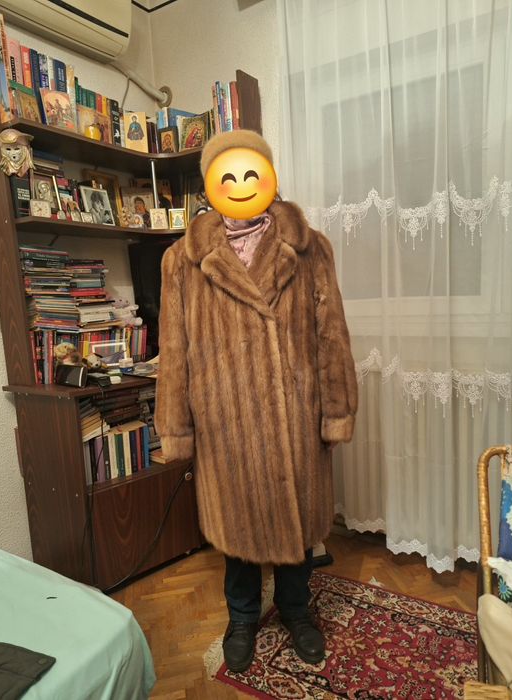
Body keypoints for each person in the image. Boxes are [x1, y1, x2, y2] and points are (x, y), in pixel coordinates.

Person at [155, 130, 358, 673]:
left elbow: (332, 335)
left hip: (296, 416)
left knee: (298, 525)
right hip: (226, 421)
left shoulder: (310, 248)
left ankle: (296, 610)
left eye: (251, 172)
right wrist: (176, 425)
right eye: (228, 175)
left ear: (270, 178)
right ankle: (242, 617)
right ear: (209, 185)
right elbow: (174, 351)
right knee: (238, 530)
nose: (241, 184)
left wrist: (335, 410)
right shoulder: (182, 261)